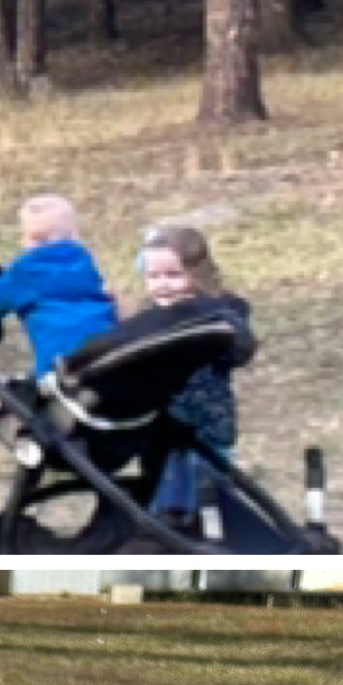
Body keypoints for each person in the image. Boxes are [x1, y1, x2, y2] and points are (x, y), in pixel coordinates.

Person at [132, 222, 255, 540]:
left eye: (173, 275)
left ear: (197, 275)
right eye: (154, 277)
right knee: (166, 499)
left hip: (206, 428)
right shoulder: (148, 318)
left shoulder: (216, 313)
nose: (163, 285)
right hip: (161, 431)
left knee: (211, 497)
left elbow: (241, 350)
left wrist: (217, 322)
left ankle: (218, 543)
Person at [0, 195, 117, 377]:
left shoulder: (26, 271)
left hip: (59, 363)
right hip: (108, 351)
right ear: (74, 234)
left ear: (32, 239)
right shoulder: (86, 263)